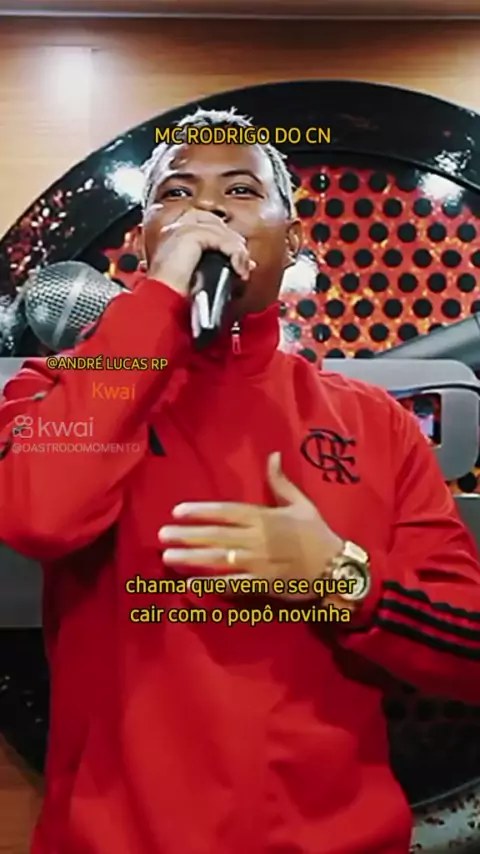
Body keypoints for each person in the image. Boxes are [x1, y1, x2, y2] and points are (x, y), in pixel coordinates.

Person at [0, 106, 480, 854]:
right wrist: (158, 304)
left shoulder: (375, 422)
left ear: (293, 241)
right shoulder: (53, 390)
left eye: (242, 190)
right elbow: (39, 515)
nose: (209, 210)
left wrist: (341, 577)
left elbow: (469, 646)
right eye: (176, 193)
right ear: (143, 242)